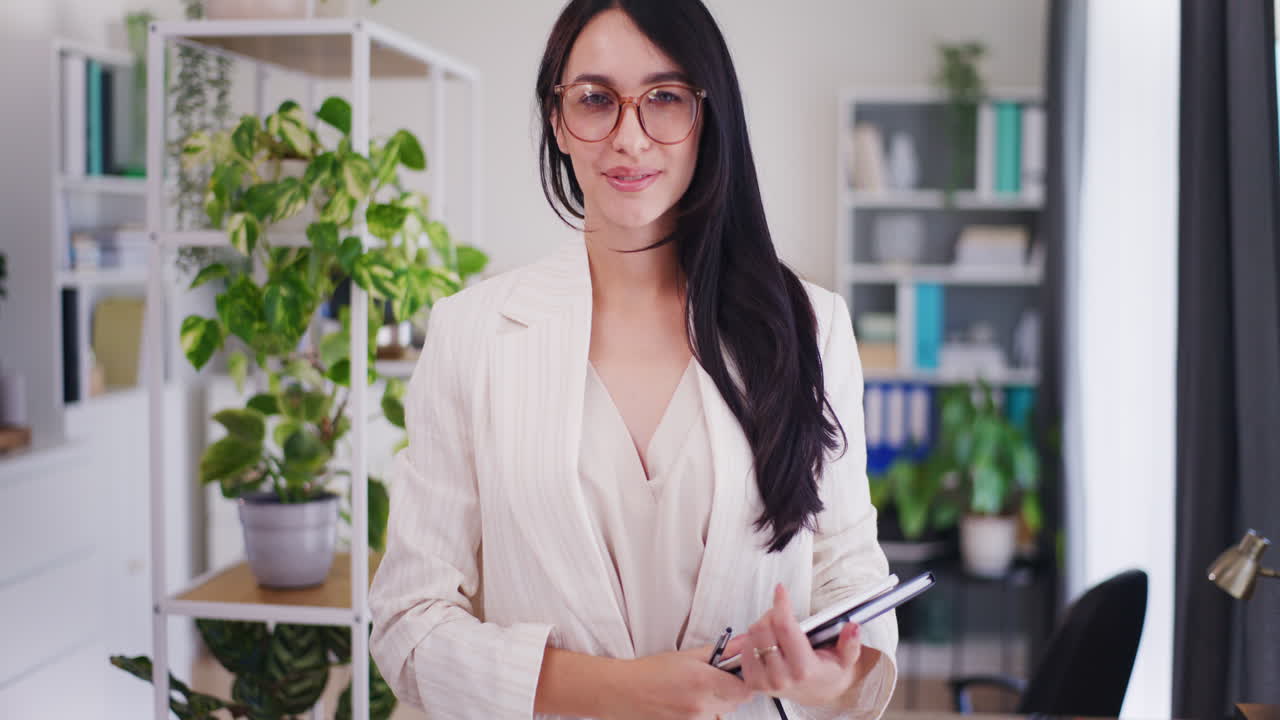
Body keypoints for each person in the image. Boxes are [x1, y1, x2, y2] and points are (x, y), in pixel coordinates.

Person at [368, 1, 897, 718]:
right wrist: (632, 690)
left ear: (706, 115)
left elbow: (852, 585)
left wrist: (825, 678)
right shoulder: (472, 335)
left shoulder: (810, 327)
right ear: (557, 119)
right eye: (595, 100)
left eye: (665, 99)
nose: (629, 138)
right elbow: (409, 623)